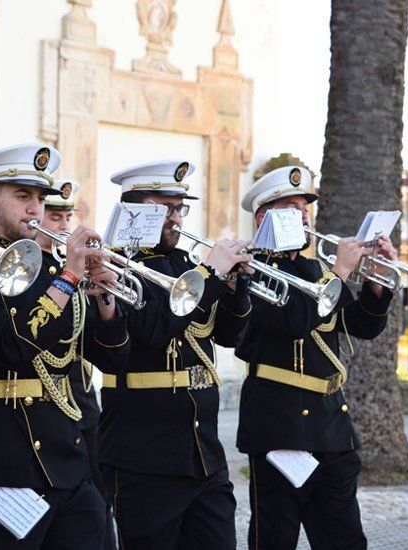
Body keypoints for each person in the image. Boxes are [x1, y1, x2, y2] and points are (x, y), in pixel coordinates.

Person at [0, 144, 129, 549]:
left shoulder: (53, 272)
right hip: (6, 465)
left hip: (69, 460)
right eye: (22, 197)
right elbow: (11, 348)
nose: (35, 209)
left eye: (38, 198)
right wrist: (69, 277)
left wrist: (104, 296)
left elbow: (112, 358)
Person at [235, 165, 397, 549]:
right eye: (290, 206)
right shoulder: (250, 271)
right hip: (279, 430)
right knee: (275, 539)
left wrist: (375, 279)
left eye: (305, 207)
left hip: (331, 429)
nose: (303, 215)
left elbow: (363, 326)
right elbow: (294, 320)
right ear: (263, 217)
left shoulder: (315, 269)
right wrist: (340, 272)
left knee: (345, 540)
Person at [98, 159, 252, 549]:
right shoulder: (113, 268)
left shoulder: (185, 265)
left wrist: (236, 289)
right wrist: (211, 276)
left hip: (205, 455)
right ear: (134, 209)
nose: (176, 218)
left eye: (179, 207)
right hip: (145, 458)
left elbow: (230, 336)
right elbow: (153, 329)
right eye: (164, 207)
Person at [33, 178, 114, 549]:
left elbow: (111, 354)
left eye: (68, 216)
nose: (64, 226)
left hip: (82, 409)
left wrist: (106, 298)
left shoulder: (78, 277)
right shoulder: (30, 274)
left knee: (97, 522)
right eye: (54, 216)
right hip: (33, 418)